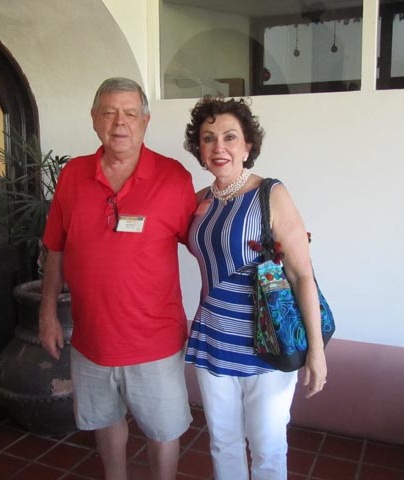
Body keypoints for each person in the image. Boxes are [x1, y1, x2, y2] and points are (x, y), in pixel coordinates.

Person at [39, 77, 196, 480]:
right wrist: (48, 314)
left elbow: (204, 245)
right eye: (109, 113)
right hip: (91, 338)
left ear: (145, 121)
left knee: (163, 430)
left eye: (129, 113)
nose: (119, 123)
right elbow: (56, 248)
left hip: (155, 340)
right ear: (94, 119)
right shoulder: (73, 174)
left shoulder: (174, 177)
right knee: (105, 422)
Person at [183, 96, 328, 480]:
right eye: (208, 138)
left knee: (267, 447)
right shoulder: (199, 202)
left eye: (230, 137)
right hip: (213, 341)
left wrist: (316, 351)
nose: (219, 147)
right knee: (223, 443)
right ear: (199, 149)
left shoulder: (271, 193)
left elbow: (301, 274)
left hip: (267, 344)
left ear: (248, 145)